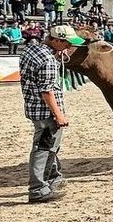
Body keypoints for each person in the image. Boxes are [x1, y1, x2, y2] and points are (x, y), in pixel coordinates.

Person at [20, 24, 80, 203]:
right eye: (67, 43)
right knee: (44, 148)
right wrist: (58, 114)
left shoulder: (32, 49)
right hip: (47, 112)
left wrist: (55, 54)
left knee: (49, 146)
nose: (70, 47)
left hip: (33, 107)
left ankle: (53, 178)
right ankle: (38, 189)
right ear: (56, 41)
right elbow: (47, 91)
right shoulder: (48, 61)